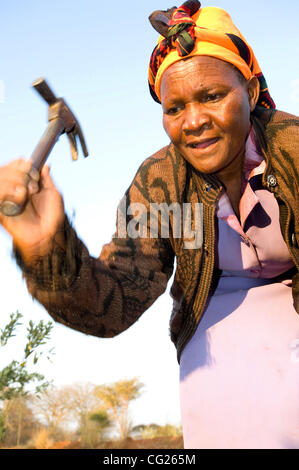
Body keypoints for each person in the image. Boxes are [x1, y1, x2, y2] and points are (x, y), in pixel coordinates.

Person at [0, 0, 298, 449]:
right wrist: (47, 248)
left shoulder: (292, 149)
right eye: (174, 107)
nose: (193, 121)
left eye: (212, 96)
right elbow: (115, 301)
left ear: (251, 92)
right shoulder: (161, 182)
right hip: (215, 308)